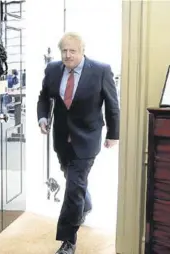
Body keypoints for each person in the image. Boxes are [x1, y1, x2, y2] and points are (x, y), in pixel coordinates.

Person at [37, 32, 120, 254]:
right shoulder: (53, 70)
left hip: (87, 137)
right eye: (64, 50)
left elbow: (112, 105)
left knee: (73, 188)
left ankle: (68, 241)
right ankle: (87, 204)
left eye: (72, 50)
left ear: (82, 51)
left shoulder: (101, 70)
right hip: (62, 138)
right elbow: (44, 97)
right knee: (73, 180)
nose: (67, 55)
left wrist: (114, 133)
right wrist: (43, 117)